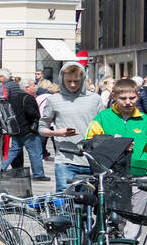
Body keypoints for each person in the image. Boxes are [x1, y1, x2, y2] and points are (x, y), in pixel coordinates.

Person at [39, 61, 105, 192]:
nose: (73, 85)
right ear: (61, 79)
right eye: (68, 81)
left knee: (88, 205)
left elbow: (104, 127)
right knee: (66, 205)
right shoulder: (54, 100)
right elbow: (41, 128)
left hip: (91, 161)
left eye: (77, 81)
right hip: (65, 160)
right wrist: (57, 133)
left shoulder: (95, 99)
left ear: (84, 79)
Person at [84, 78, 147, 178]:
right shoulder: (103, 117)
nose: (128, 102)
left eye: (132, 98)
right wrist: (119, 146)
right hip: (111, 174)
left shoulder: (145, 120)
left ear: (138, 96)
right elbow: (89, 144)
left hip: (141, 174)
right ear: (114, 96)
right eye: (123, 98)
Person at [3, 76, 46, 181]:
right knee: (35, 152)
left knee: (13, 151)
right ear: (27, 88)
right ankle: (38, 174)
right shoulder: (29, 98)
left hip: (16, 129)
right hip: (28, 130)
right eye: (33, 85)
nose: (35, 87)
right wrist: (37, 118)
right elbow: (32, 113)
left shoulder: (12, 98)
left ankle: (1, 167)